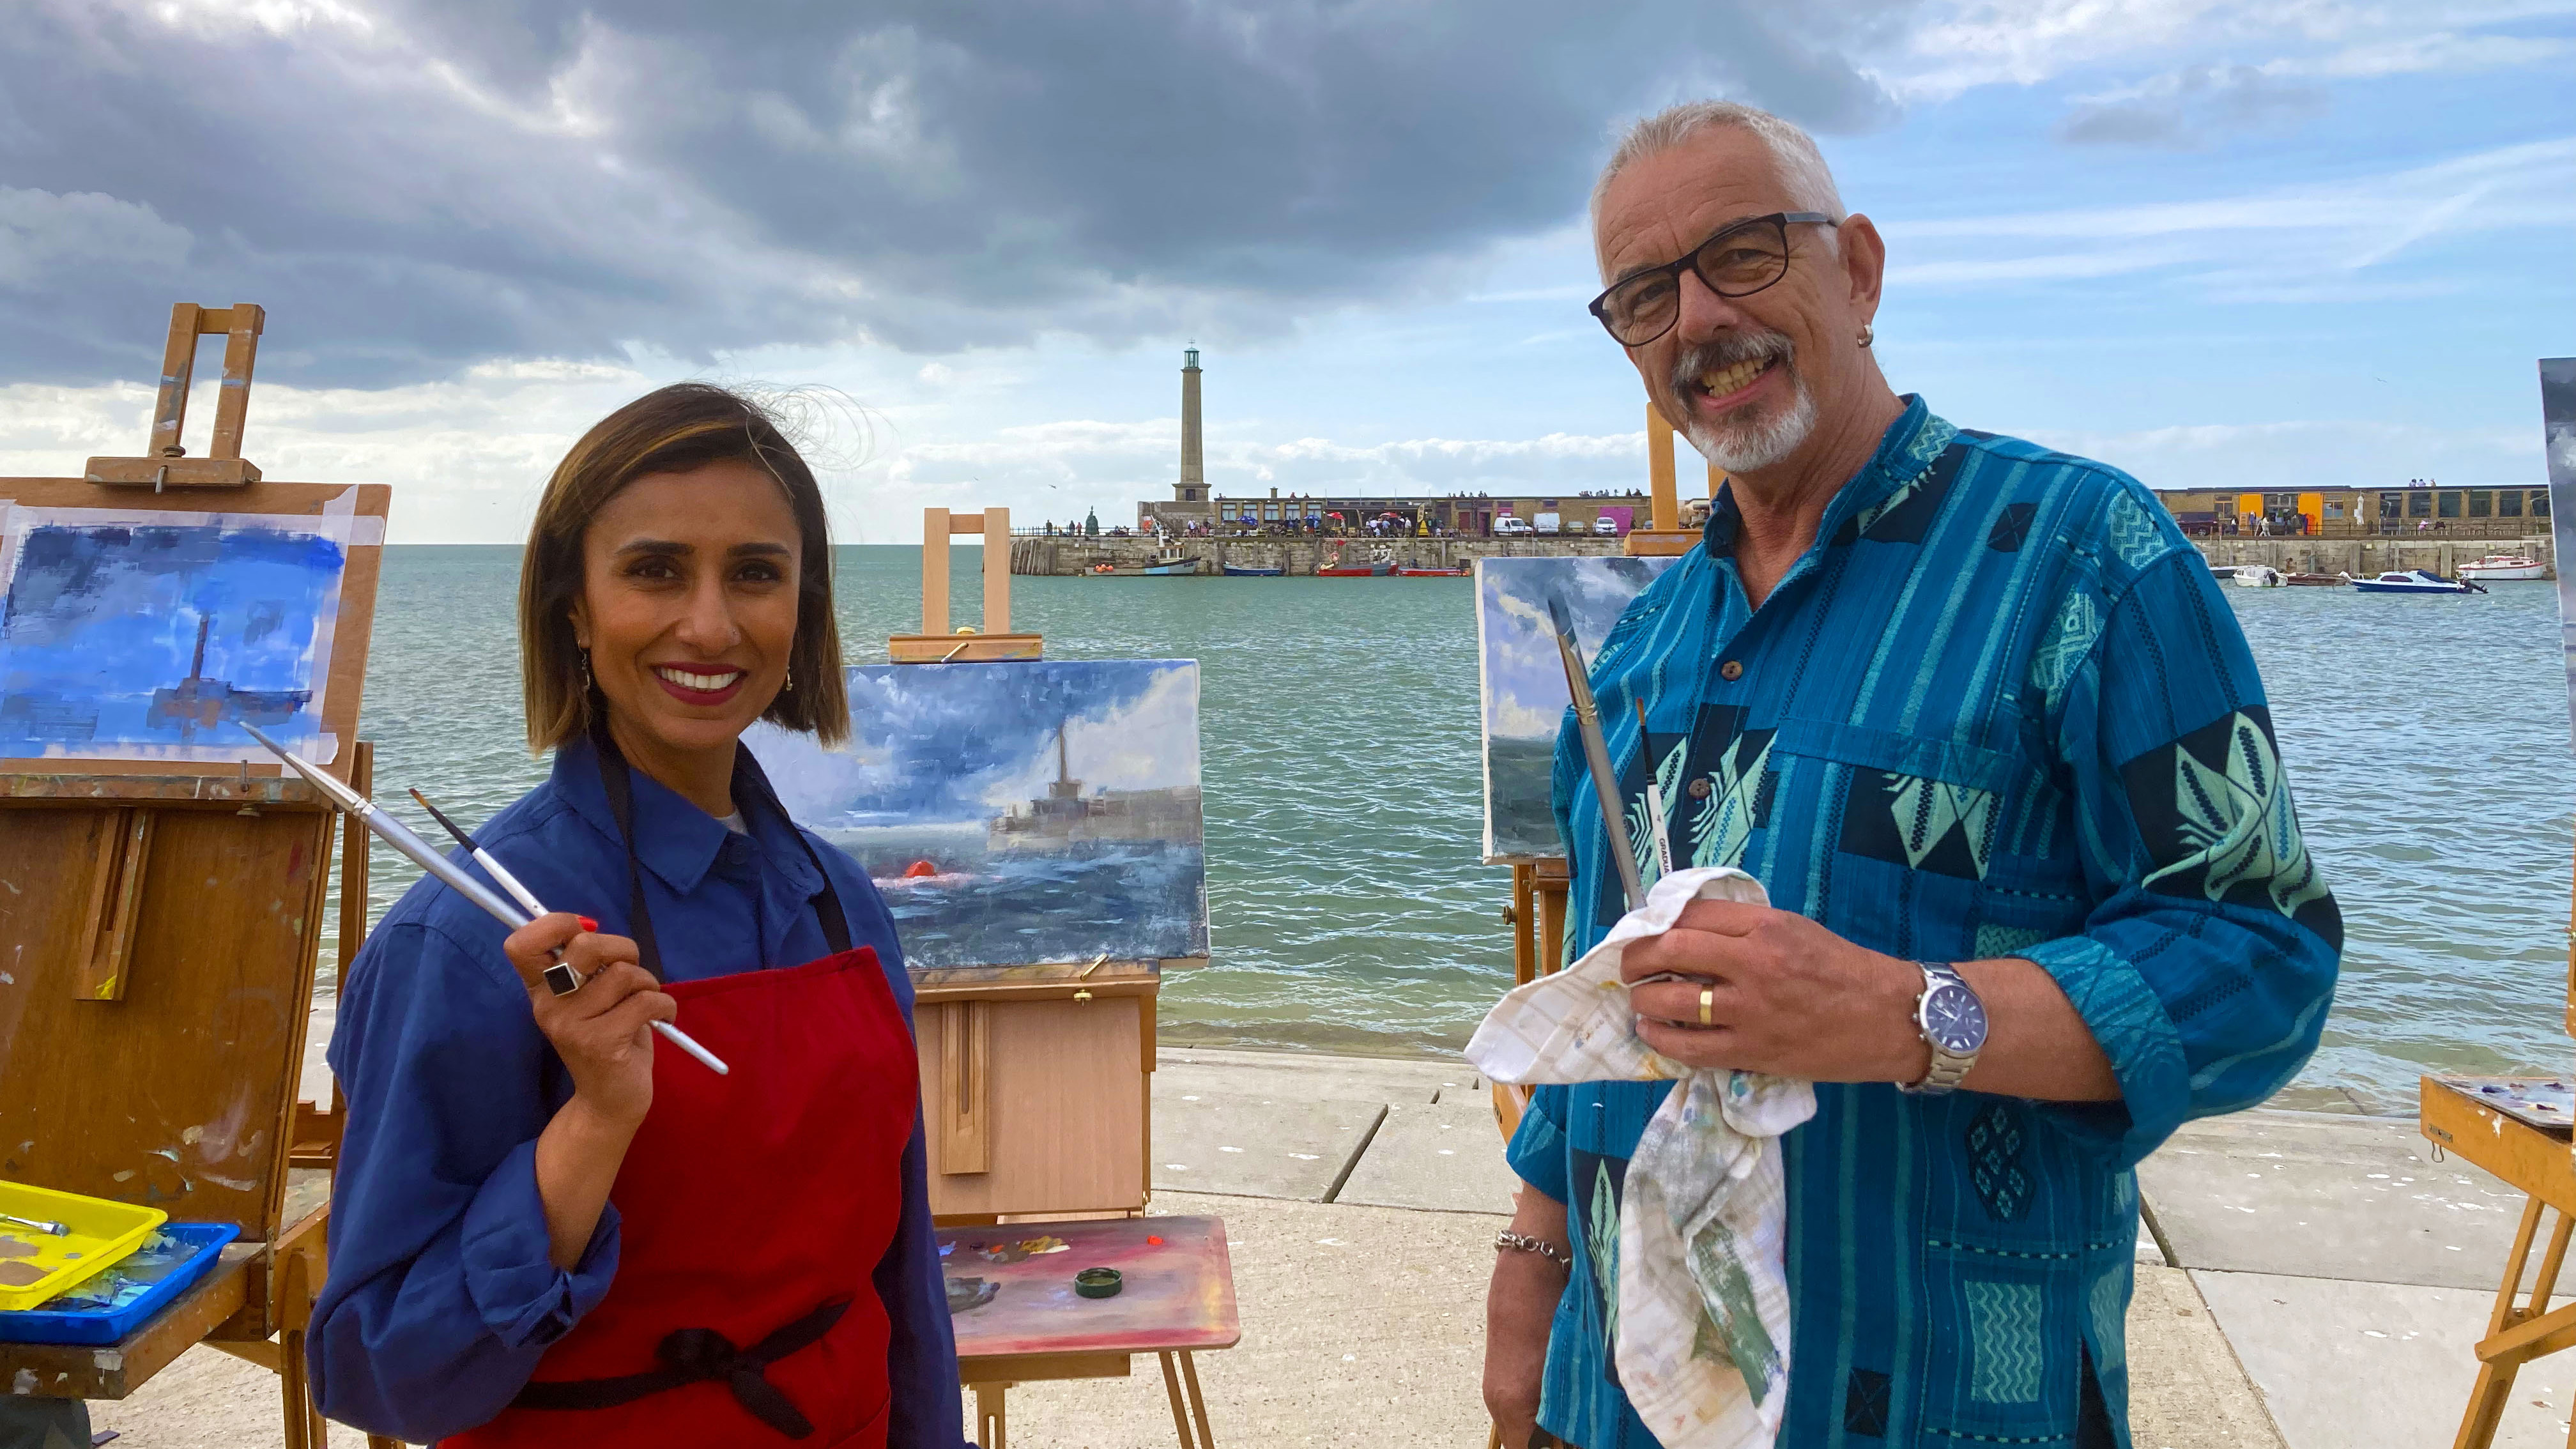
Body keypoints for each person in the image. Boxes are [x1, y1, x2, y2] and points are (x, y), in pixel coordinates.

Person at [1482, 101, 2341, 1449]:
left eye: (1744, 254)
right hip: (1625, 1394)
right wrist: (1532, 1260)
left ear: (1861, 269)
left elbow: (2261, 958)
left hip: (1939, 1399)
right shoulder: (1644, 649)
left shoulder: (2085, 558)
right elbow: (1611, 987)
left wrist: (1906, 1014)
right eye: (1648, 295)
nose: (1699, 319)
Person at [309, 384, 965, 1447]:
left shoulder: (841, 902)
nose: (709, 624)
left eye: (755, 573)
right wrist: (595, 1121)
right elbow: (379, 1375)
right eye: (654, 570)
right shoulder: (465, 940)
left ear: (803, 609)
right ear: (574, 605)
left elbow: (900, 1277)